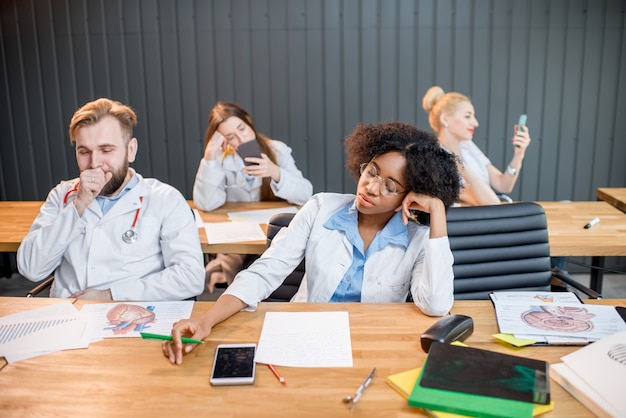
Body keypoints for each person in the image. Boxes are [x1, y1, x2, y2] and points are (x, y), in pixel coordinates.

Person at [163, 121, 461, 364]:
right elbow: (265, 271)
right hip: (304, 339)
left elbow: (436, 305)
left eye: (389, 185)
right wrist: (207, 320)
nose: (370, 187)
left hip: (372, 347)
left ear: (411, 195)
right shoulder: (321, 207)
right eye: (371, 171)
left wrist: (437, 213)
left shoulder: (419, 239)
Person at [16, 98, 205, 300]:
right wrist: (77, 206)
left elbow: (190, 277)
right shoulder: (62, 196)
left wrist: (111, 295)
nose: (95, 163)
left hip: (137, 316)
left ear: (130, 150)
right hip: (68, 316)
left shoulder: (165, 199)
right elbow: (31, 268)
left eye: (106, 150)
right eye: (84, 152)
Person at [192, 102, 313, 292]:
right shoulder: (220, 158)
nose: (241, 139)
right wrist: (210, 158)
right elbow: (206, 203)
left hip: (273, 231)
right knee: (244, 275)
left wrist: (276, 172)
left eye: (242, 129)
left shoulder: (277, 150)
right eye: (231, 136)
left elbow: (306, 194)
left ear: (249, 122)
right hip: (238, 235)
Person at [422, 86, 532, 206]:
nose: (475, 123)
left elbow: (504, 185)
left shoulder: (467, 146)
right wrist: (458, 162)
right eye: (467, 116)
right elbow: (491, 202)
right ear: (444, 119)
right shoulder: (434, 159)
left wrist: (519, 154)